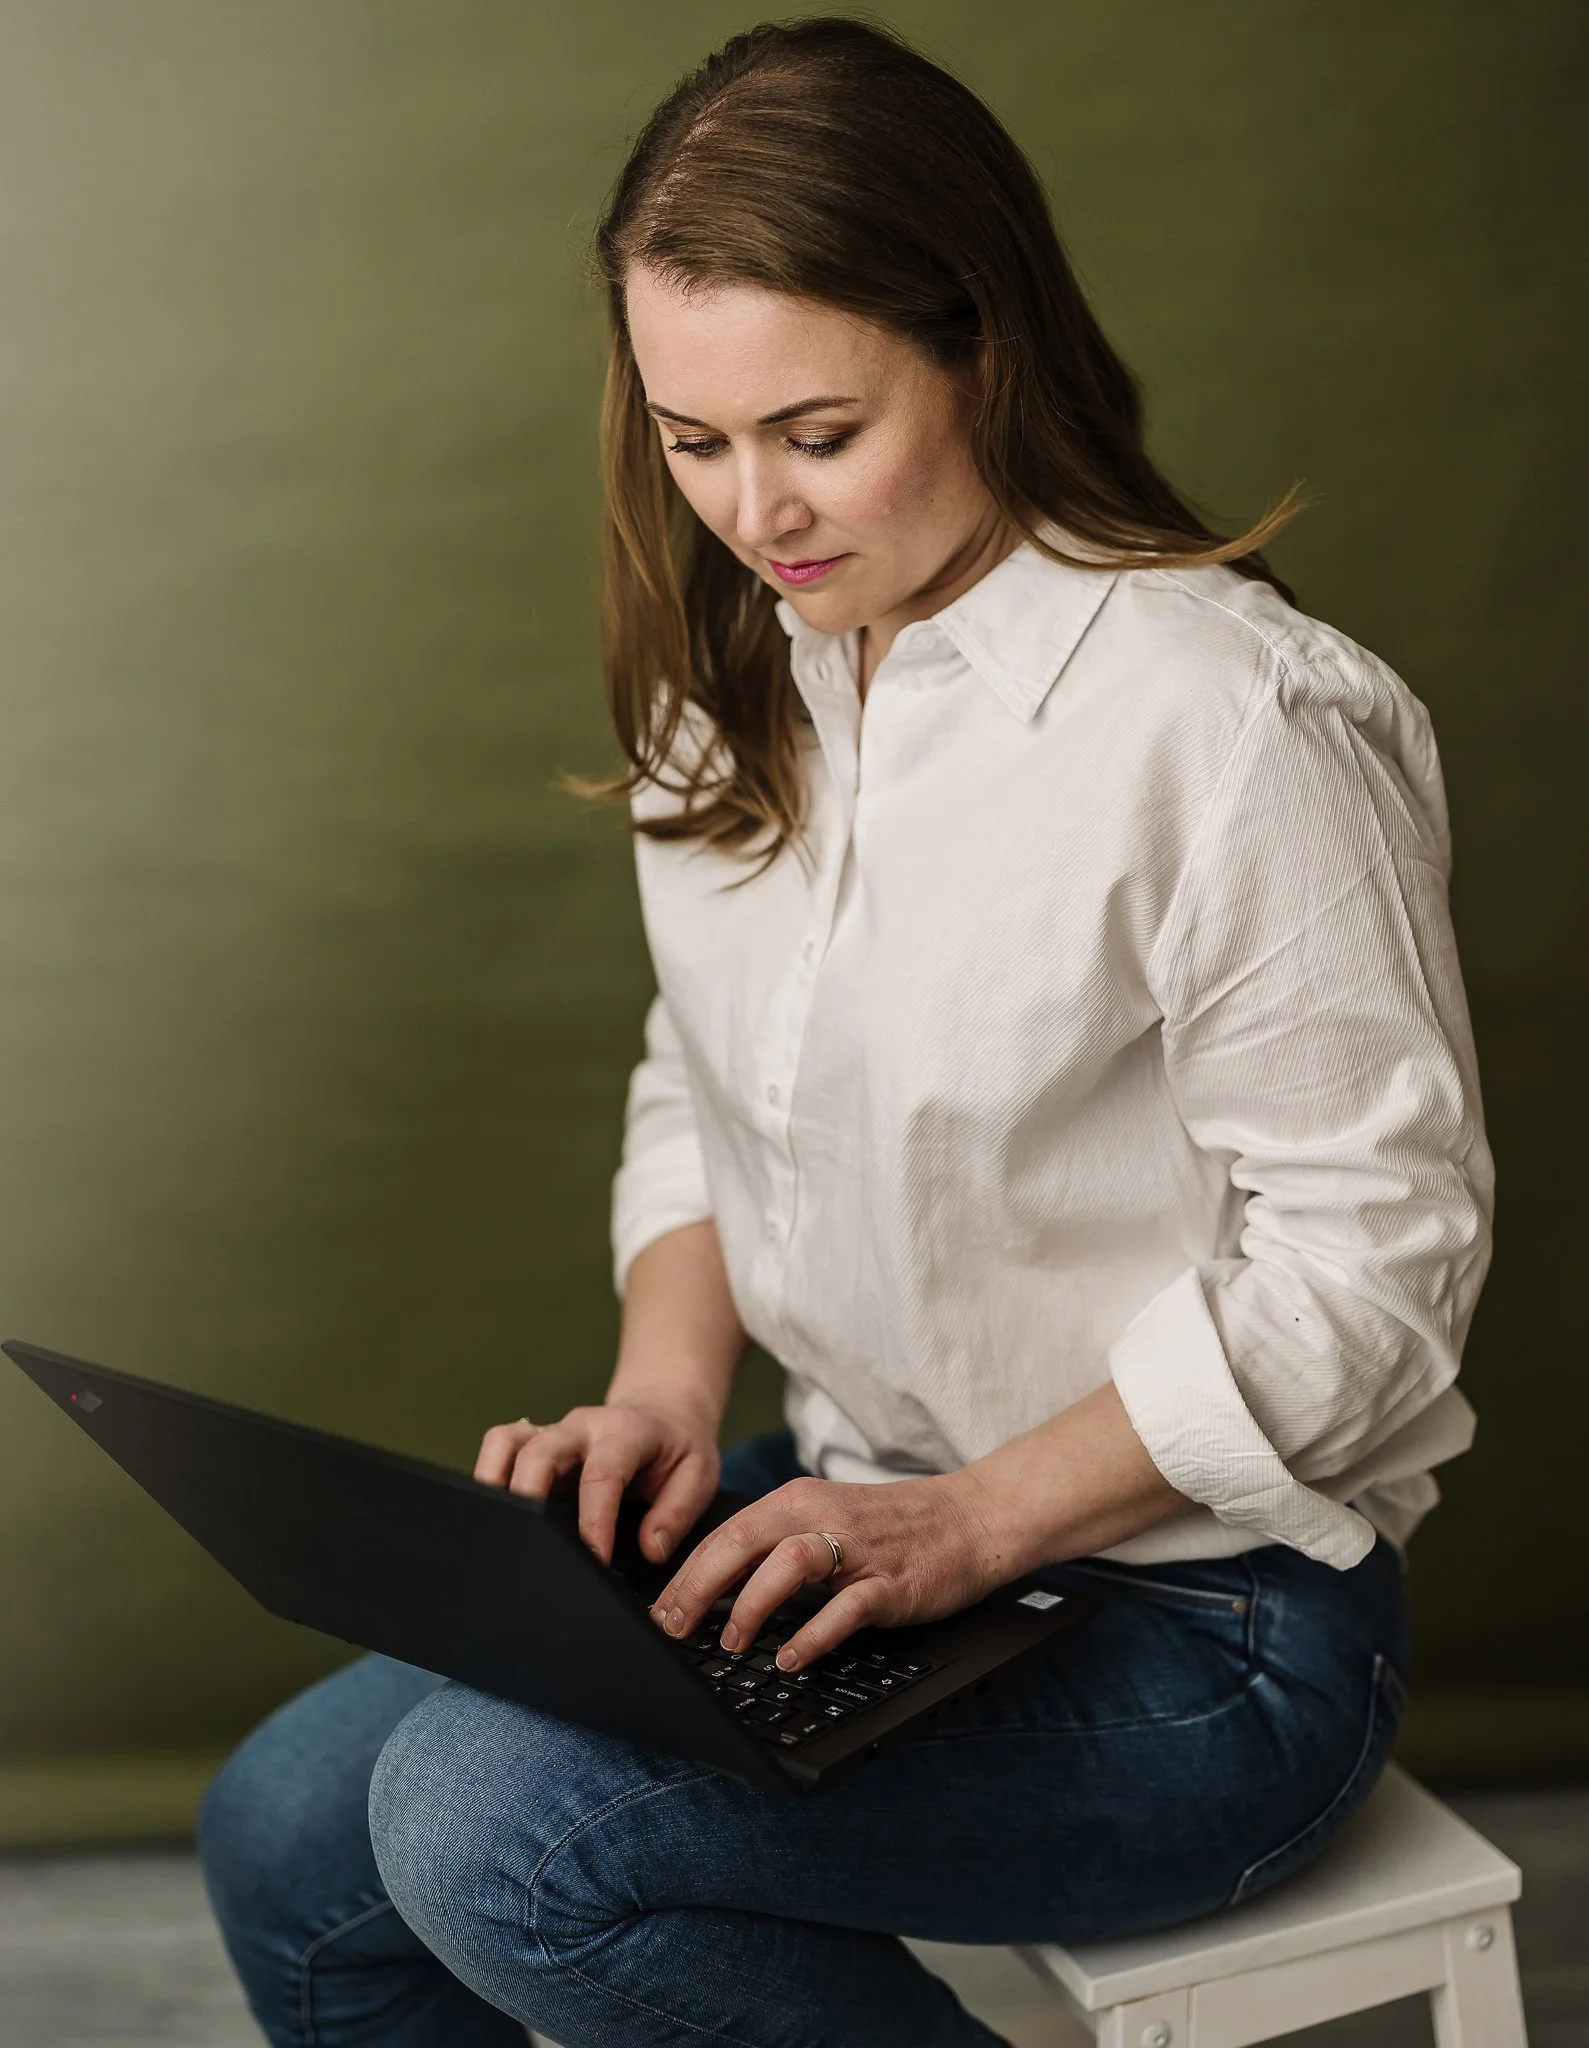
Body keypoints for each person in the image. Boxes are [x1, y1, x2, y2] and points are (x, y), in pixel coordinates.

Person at [196, 19, 1492, 2047]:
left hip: (1206, 1623)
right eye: (690, 439)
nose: (749, 511)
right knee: (281, 1830)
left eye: (814, 429)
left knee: (493, 1833)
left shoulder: (1232, 721)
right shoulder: (748, 688)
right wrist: (660, 1402)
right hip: (849, 1515)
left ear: (978, 344)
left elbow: (1375, 1277)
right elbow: (708, 1092)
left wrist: (967, 1522)